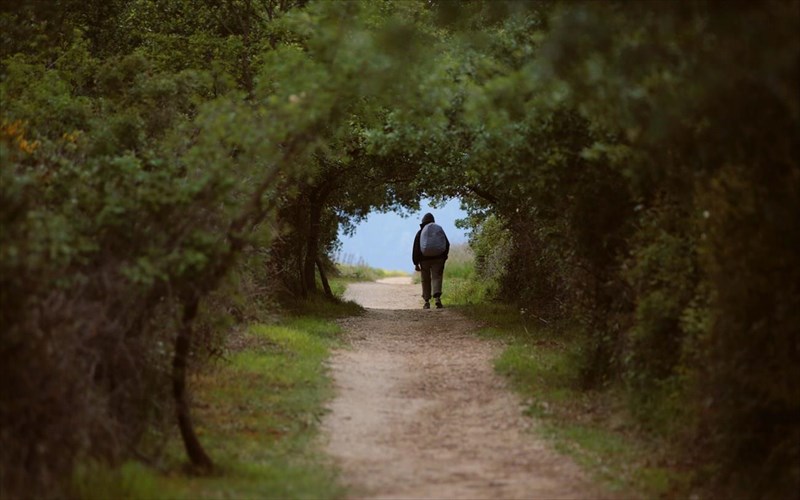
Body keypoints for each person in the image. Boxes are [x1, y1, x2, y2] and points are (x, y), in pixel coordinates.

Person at [412, 212, 450, 309]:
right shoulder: (438, 230)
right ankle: (437, 300)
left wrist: (416, 263)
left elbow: (416, 248)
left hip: (424, 260)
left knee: (425, 279)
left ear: (423, 222)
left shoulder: (420, 232)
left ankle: (426, 302)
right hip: (438, 258)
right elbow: (447, 243)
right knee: (437, 277)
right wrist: (444, 256)